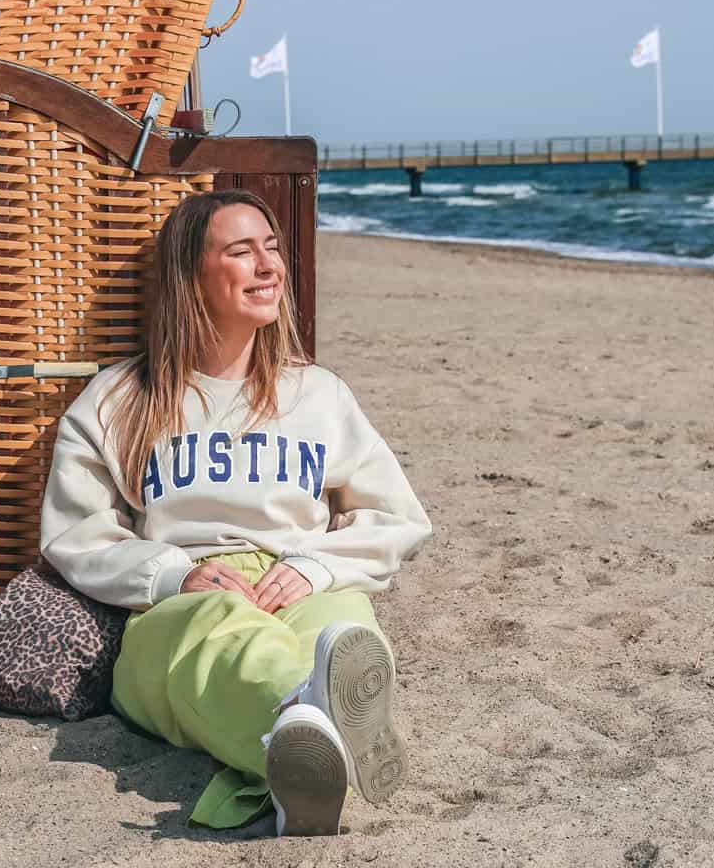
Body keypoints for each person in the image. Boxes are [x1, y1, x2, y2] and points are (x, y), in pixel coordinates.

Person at [39, 190, 431, 835]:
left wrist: (316, 569)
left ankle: (301, 748)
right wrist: (169, 574)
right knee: (222, 632)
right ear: (192, 275)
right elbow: (75, 532)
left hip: (296, 579)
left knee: (343, 627)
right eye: (242, 252)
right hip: (178, 603)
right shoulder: (119, 398)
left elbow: (398, 517)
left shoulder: (319, 394)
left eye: (272, 249)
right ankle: (302, 727)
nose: (269, 266)